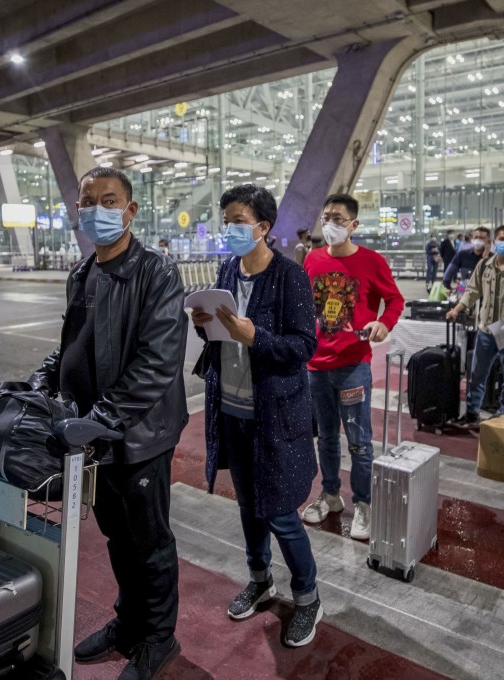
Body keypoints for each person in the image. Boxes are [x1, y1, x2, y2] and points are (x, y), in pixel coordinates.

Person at [28, 167, 187, 680]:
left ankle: (158, 638)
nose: (97, 209)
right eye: (88, 201)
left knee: (150, 540)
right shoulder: (83, 273)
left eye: (109, 200)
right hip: (93, 438)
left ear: (131, 210)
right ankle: (129, 622)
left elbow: (158, 362)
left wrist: (101, 419)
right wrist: (45, 376)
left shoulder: (157, 272)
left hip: (138, 436)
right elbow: (75, 344)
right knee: (118, 537)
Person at [191, 184, 322, 649]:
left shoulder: (290, 277)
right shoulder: (227, 269)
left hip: (275, 414)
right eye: (226, 219)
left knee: (282, 512)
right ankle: (260, 578)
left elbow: (304, 346)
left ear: (263, 227)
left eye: (239, 220)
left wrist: (255, 336)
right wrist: (206, 327)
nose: (230, 228)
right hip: (230, 408)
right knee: (247, 506)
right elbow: (222, 337)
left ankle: (307, 596)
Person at [301, 193, 404, 540]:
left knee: (360, 441)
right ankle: (331, 495)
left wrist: (383, 324)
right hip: (316, 366)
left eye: (338, 219)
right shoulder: (312, 260)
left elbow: (395, 299)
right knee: (326, 438)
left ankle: (363, 502)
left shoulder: (372, 262)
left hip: (353, 365)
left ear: (354, 225)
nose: (330, 224)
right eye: (326, 217)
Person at [446, 225, 504, 428]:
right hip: (486, 329)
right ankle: (471, 414)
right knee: (477, 375)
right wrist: (457, 309)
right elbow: (472, 290)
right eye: (502, 238)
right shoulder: (484, 265)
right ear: (494, 242)